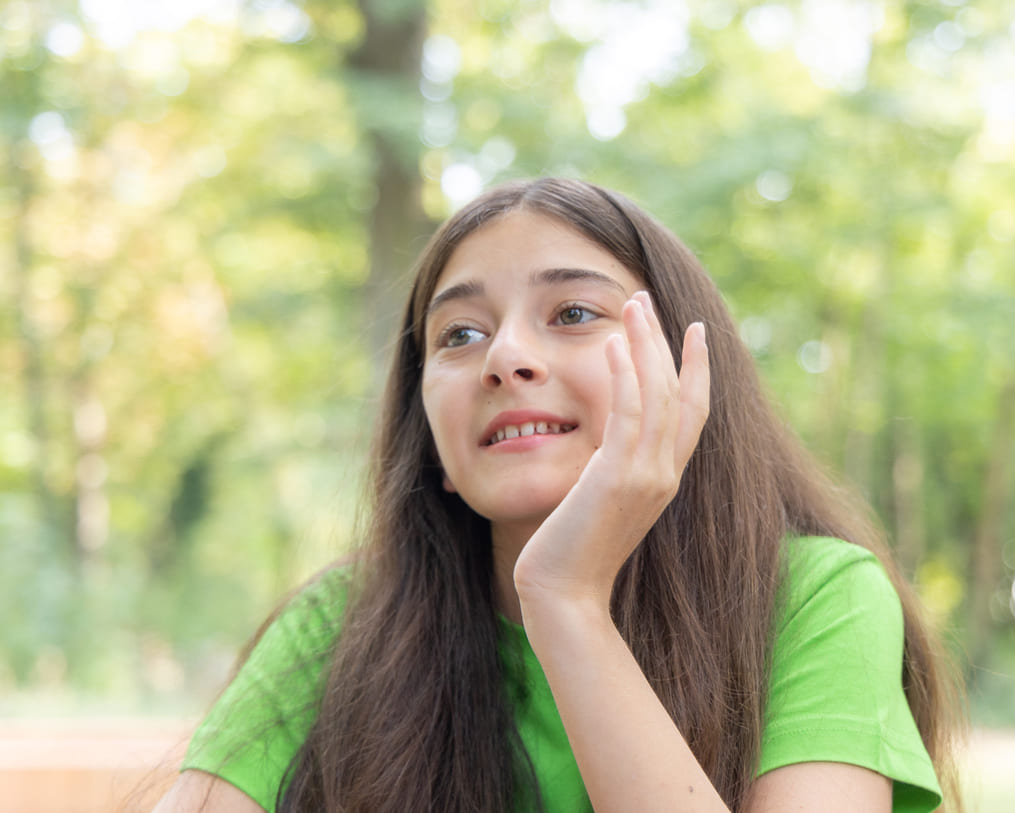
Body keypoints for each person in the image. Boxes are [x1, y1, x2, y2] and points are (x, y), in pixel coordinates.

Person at [152, 178, 964, 813]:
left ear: (687, 381)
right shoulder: (344, 621)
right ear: (428, 434)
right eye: (459, 334)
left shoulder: (821, 596)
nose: (505, 356)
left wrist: (566, 599)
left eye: (573, 312)